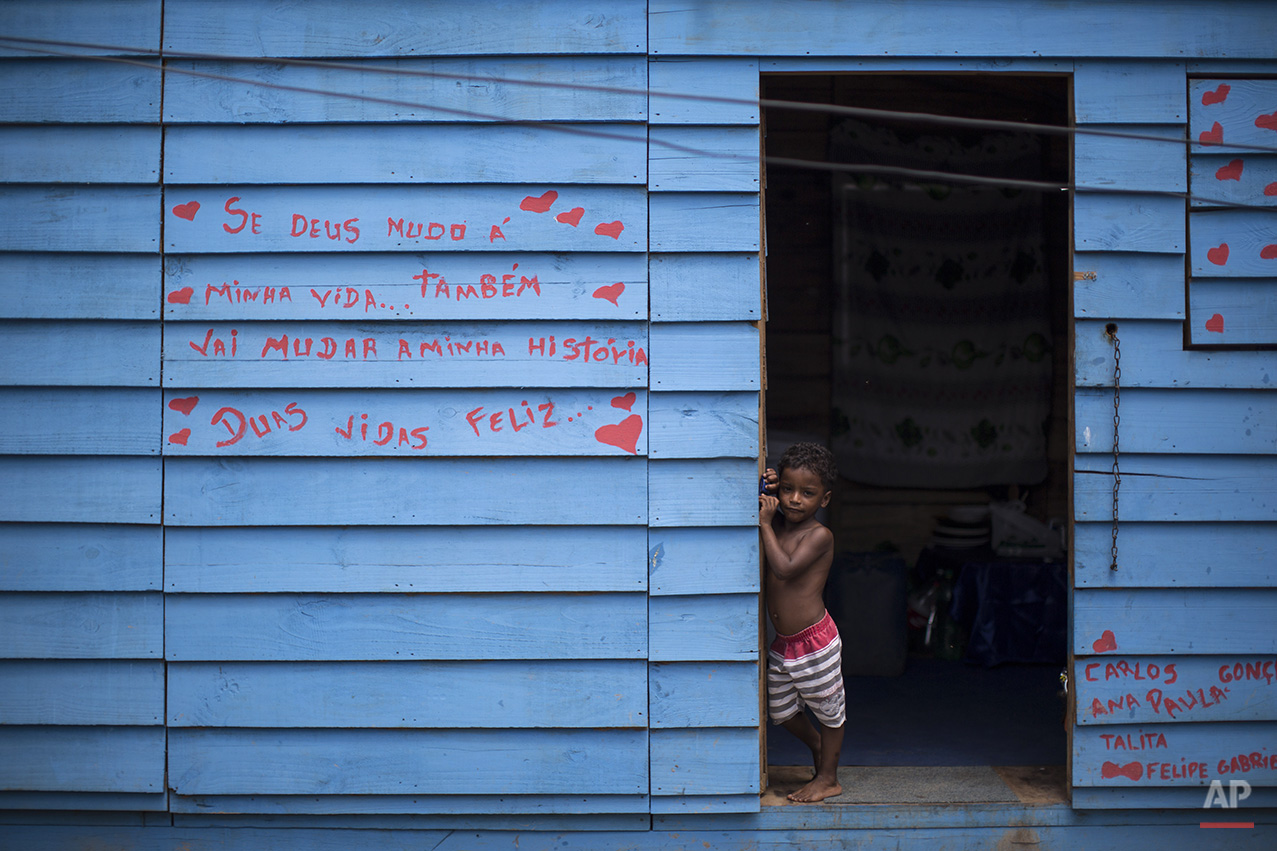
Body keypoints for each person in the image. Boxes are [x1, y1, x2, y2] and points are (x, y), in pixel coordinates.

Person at [759, 442, 845, 803]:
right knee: (780, 711)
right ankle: (816, 746)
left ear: (823, 500)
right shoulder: (780, 523)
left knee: (829, 710)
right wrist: (767, 489)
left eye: (807, 493)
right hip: (784, 642)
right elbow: (770, 504)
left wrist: (764, 522)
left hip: (814, 641)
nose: (795, 499)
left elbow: (783, 567)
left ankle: (828, 778)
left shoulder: (819, 536)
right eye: (788, 490)